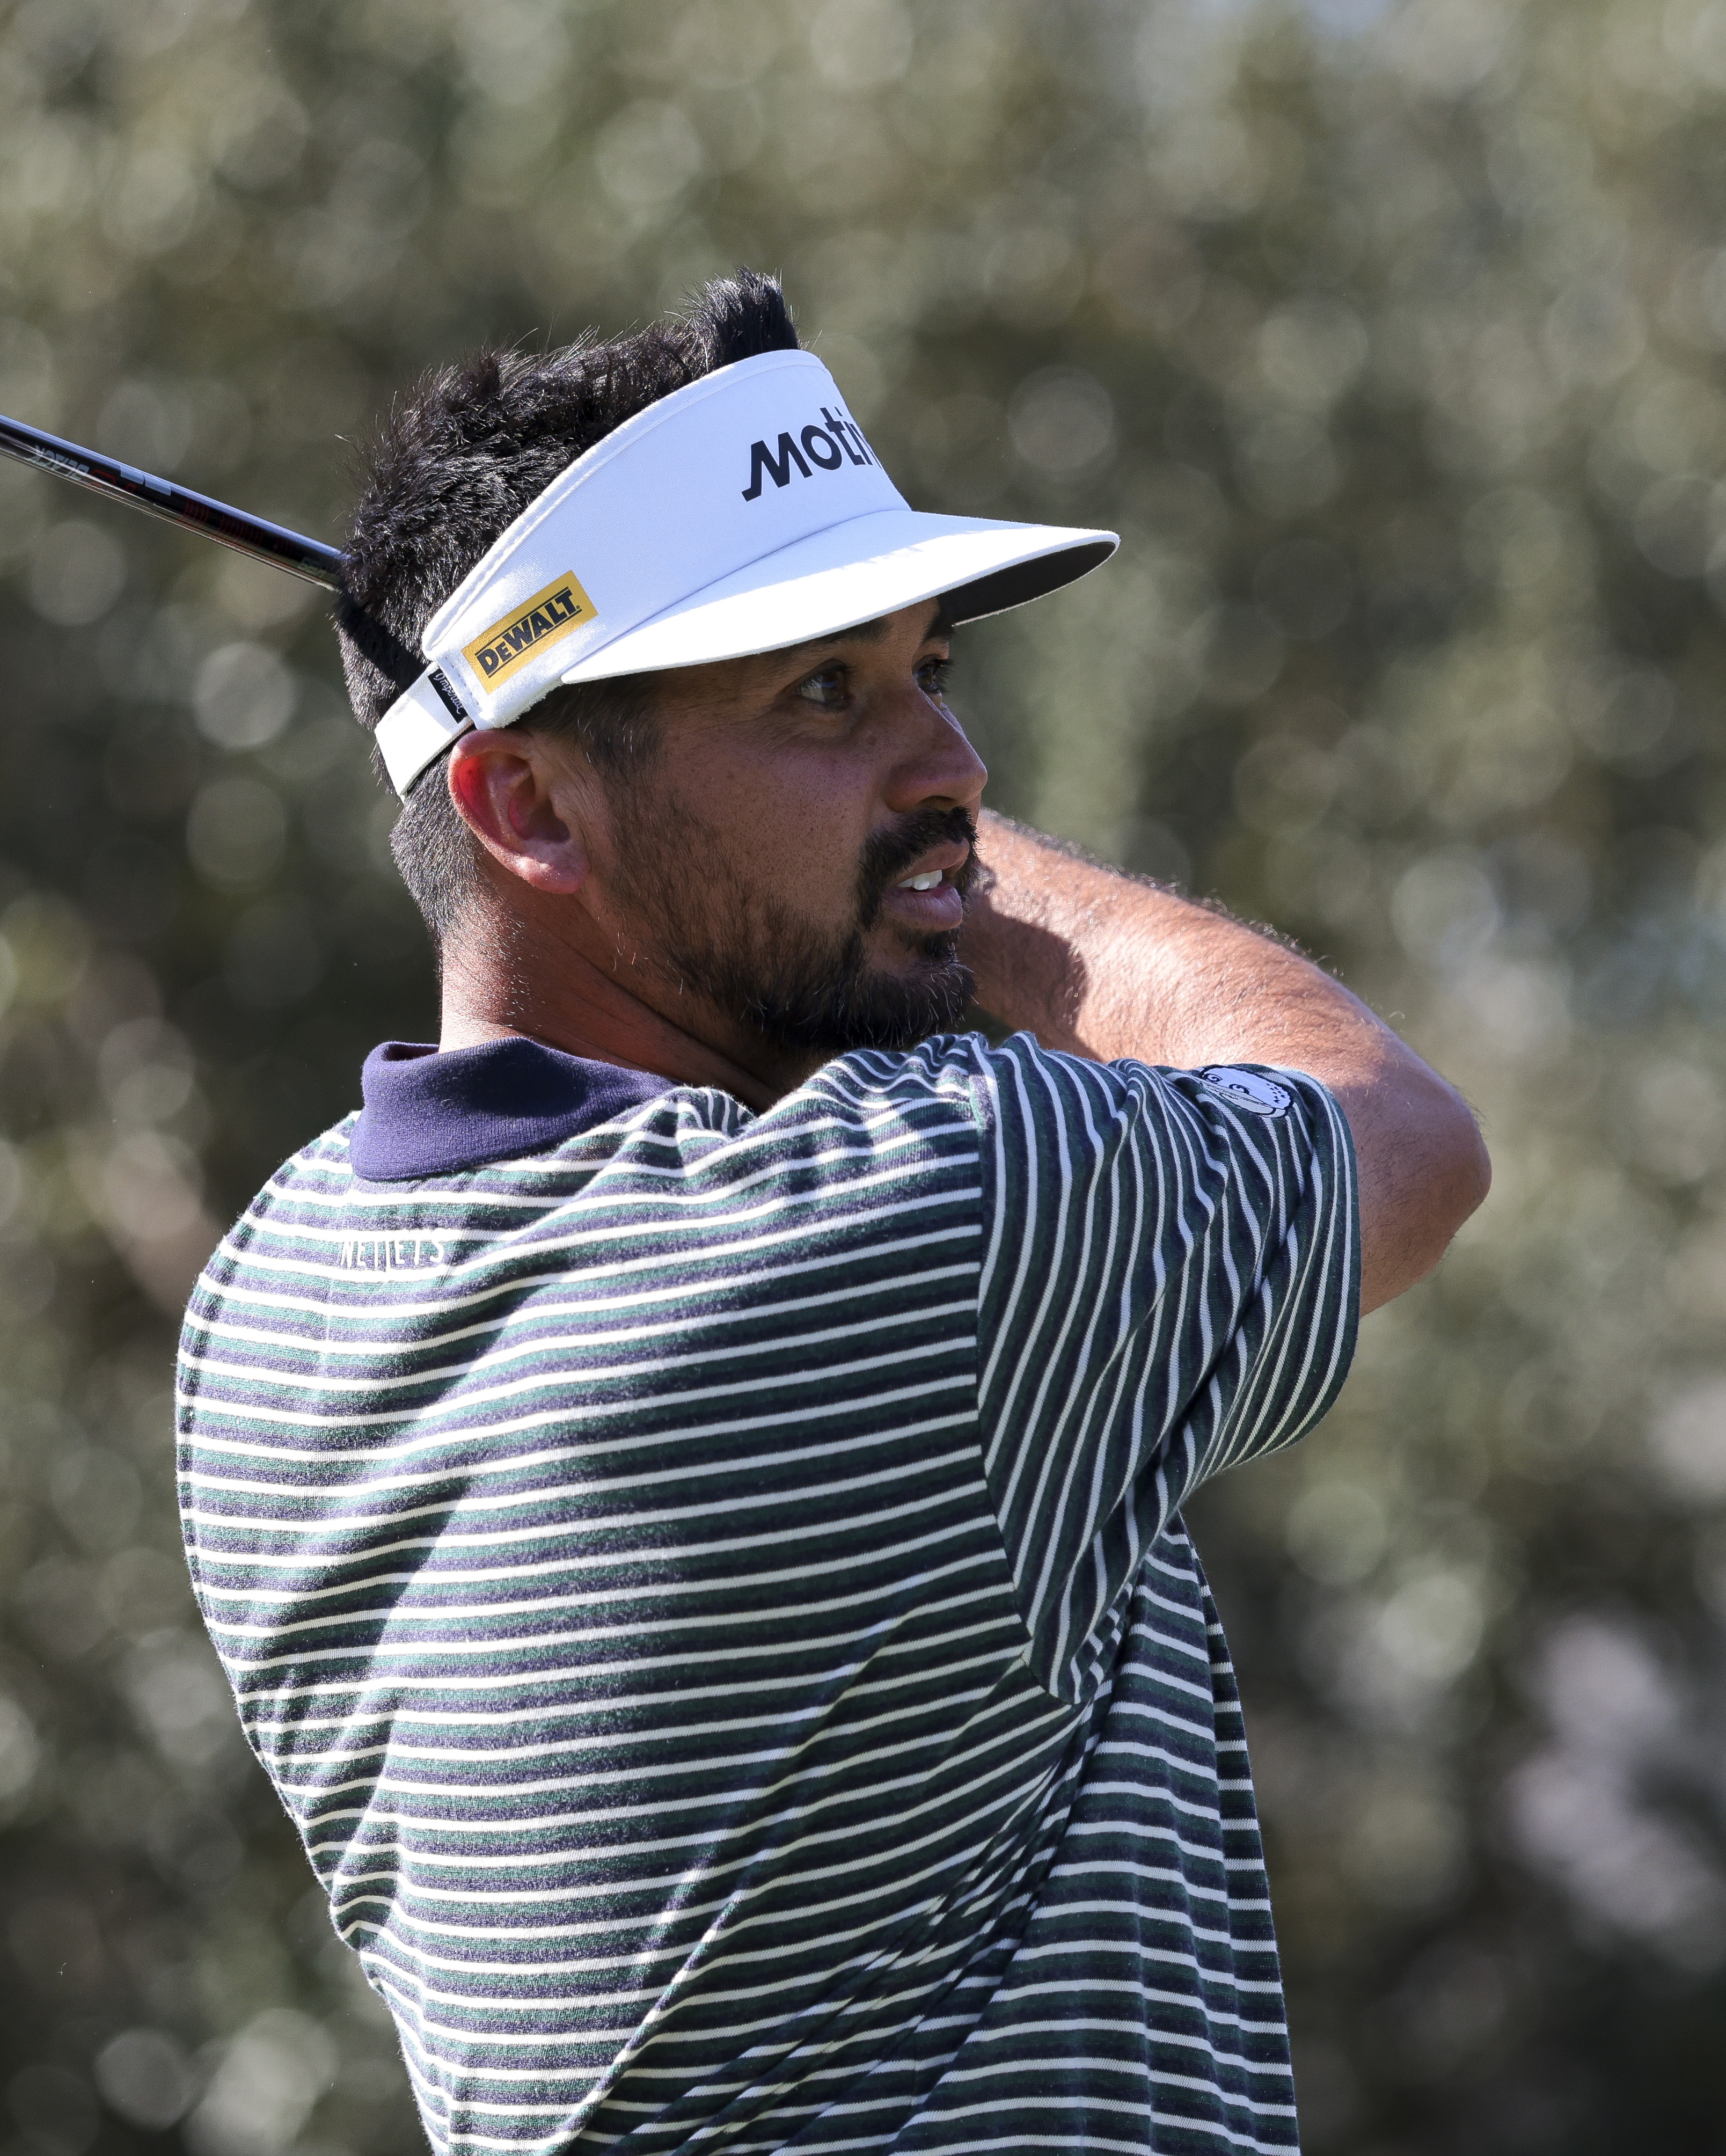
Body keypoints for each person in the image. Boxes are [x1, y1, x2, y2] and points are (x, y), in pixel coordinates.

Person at [174, 272, 1490, 2153]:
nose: (951, 768)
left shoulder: (268, 1312)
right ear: (527, 804)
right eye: (823, 691)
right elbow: (1406, 1138)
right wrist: (971, 879)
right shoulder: (924, 1213)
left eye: (930, 670)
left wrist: (853, 816)